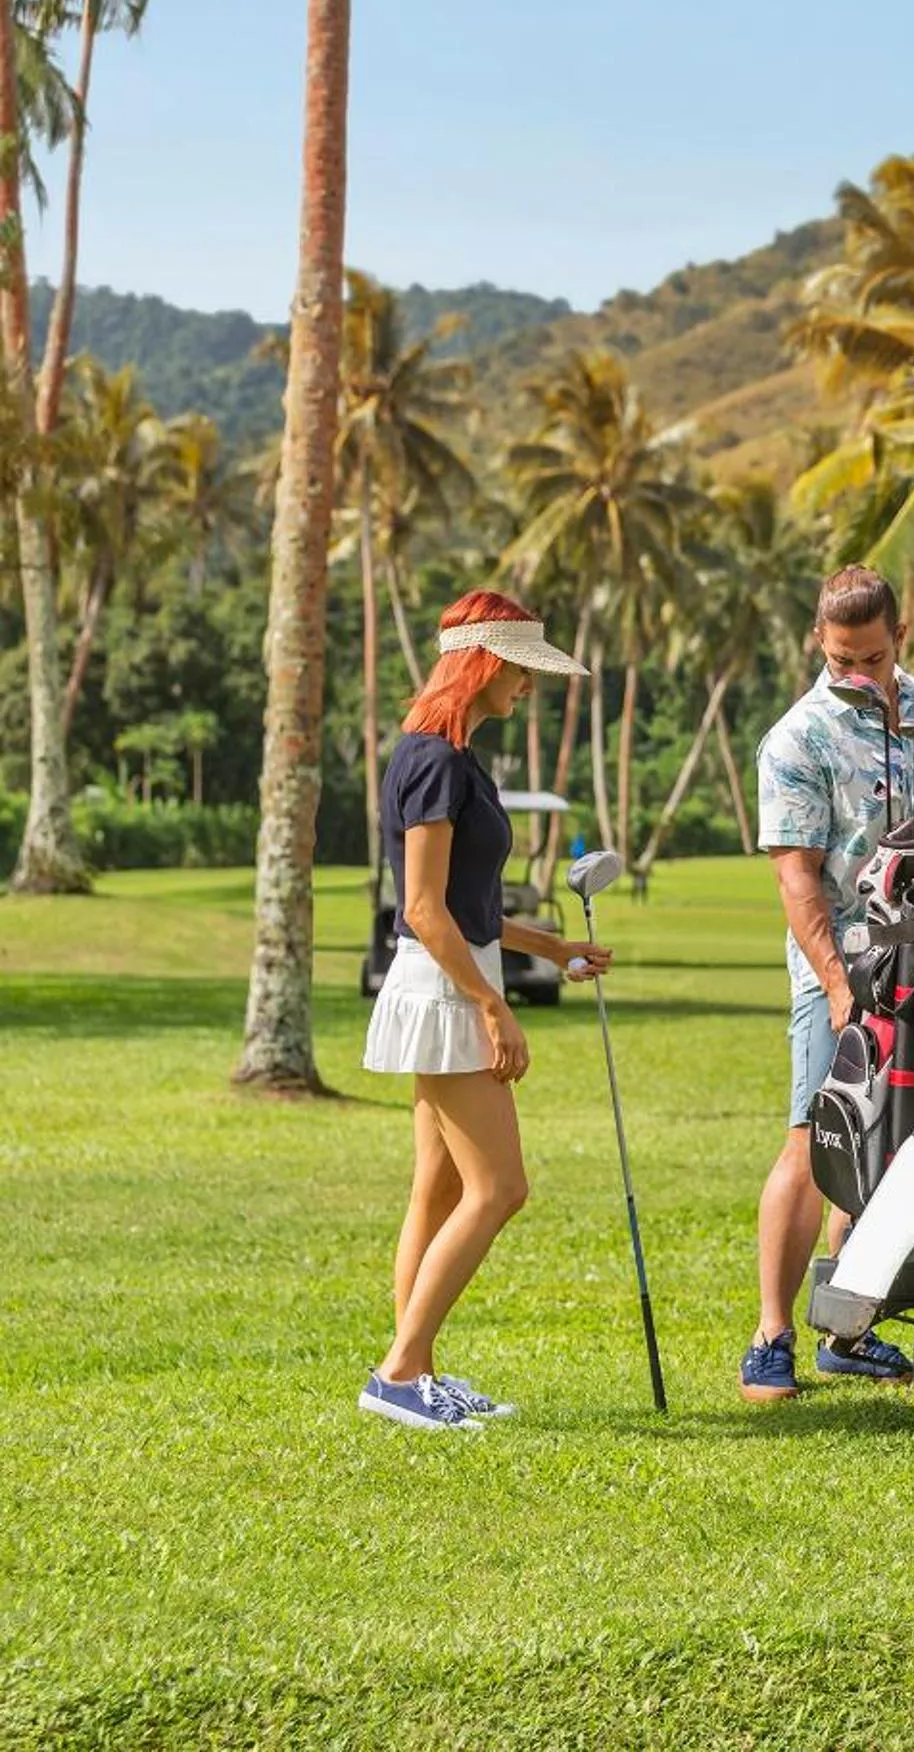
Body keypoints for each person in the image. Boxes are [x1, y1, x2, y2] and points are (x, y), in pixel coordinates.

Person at [360, 590, 611, 1430]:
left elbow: (466, 906)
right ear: (486, 664)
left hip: (449, 980)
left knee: (436, 1191)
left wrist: (551, 949)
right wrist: (492, 1009)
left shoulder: (455, 759)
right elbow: (424, 910)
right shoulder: (434, 759)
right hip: (443, 992)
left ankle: (415, 1371)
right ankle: (399, 1373)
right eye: (523, 671)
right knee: (500, 1187)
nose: (529, 688)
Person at [741, 566, 914, 1401]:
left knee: (896, 1145)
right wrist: (838, 986)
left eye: (870, 657)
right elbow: (798, 880)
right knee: (814, 1139)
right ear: (818, 642)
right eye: (841, 659)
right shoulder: (796, 738)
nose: (856, 675)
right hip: (840, 963)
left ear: (899, 637)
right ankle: (771, 1335)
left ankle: (849, 1327)